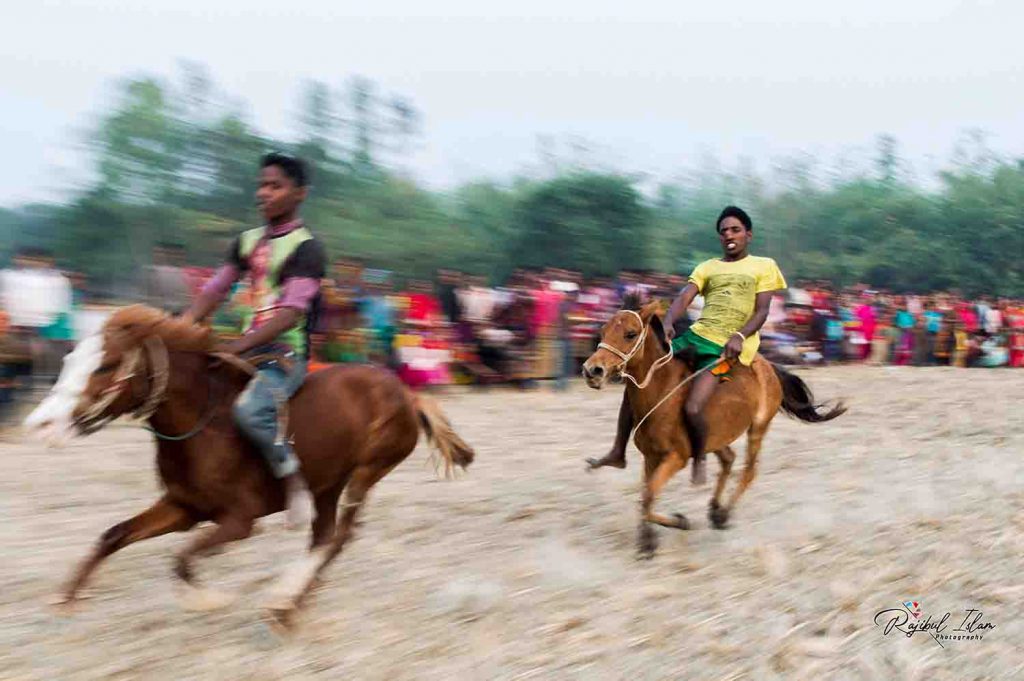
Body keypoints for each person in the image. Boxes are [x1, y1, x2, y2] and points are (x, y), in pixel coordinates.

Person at [588, 206, 787, 486]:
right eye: (724, 231)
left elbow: (762, 311)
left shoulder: (764, 266)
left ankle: (700, 458)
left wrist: (739, 336)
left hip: (727, 346)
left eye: (735, 230)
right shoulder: (707, 267)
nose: (729, 235)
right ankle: (618, 450)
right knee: (639, 382)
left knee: (693, 405)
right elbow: (684, 297)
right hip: (695, 337)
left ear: (748, 235)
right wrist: (669, 321)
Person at [181, 152, 326, 528]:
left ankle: (294, 482)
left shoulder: (307, 248)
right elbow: (214, 291)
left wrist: (238, 347)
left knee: (250, 411)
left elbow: (290, 314)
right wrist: (181, 328)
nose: (264, 193)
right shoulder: (245, 242)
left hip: (285, 354)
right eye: (261, 185)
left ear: (299, 194)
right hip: (248, 346)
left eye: (275, 186)